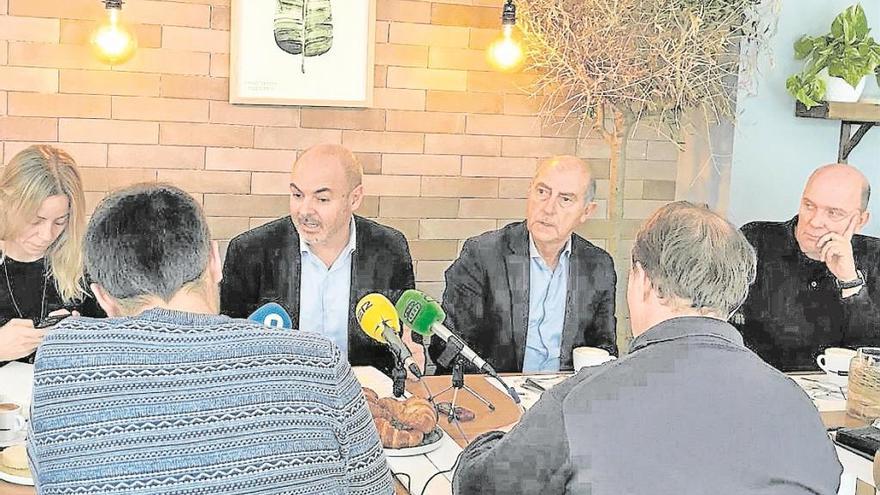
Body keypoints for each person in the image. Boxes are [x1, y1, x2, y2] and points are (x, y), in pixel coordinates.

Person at [452, 202, 842, 494]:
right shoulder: (798, 405)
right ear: (735, 297)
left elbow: (481, 486)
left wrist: (495, 438)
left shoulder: (580, 400)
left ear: (641, 280)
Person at [27, 184, 393, 495]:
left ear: (103, 297)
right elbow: (374, 488)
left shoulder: (60, 358)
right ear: (215, 262)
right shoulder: (319, 364)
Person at [221, 144, 415, 375]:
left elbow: (405, 338)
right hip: (280, 395)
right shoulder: (250, 251)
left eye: (322, 199)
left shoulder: (389, 249)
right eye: (297, 195)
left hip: (364, 396)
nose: (304, 211)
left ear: (354, 199)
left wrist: (410, 355)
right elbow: (229, 346)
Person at [433, 155, 616, 373]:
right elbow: (447, 347)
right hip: (497, 393)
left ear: (587, 211)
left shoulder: (598, 266)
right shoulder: (483, 255)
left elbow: (604, 349)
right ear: (529, 192)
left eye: (565, 199)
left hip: (563, 396)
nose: (548, 208)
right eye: (542, 192)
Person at [734, 163, 880, 371]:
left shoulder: (874, 257)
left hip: (843, 399)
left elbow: (872, 353)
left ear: (860, 221)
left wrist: (850, 282)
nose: (815, 221)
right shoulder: (756, 240)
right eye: (809, 206)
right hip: (761, 385)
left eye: (833, 213)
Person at [0, 145, 97, 364]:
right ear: (6, 203)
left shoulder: (83, 264)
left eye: (60, 222)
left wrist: (85, 337)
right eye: (35, 220)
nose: (47, 235)